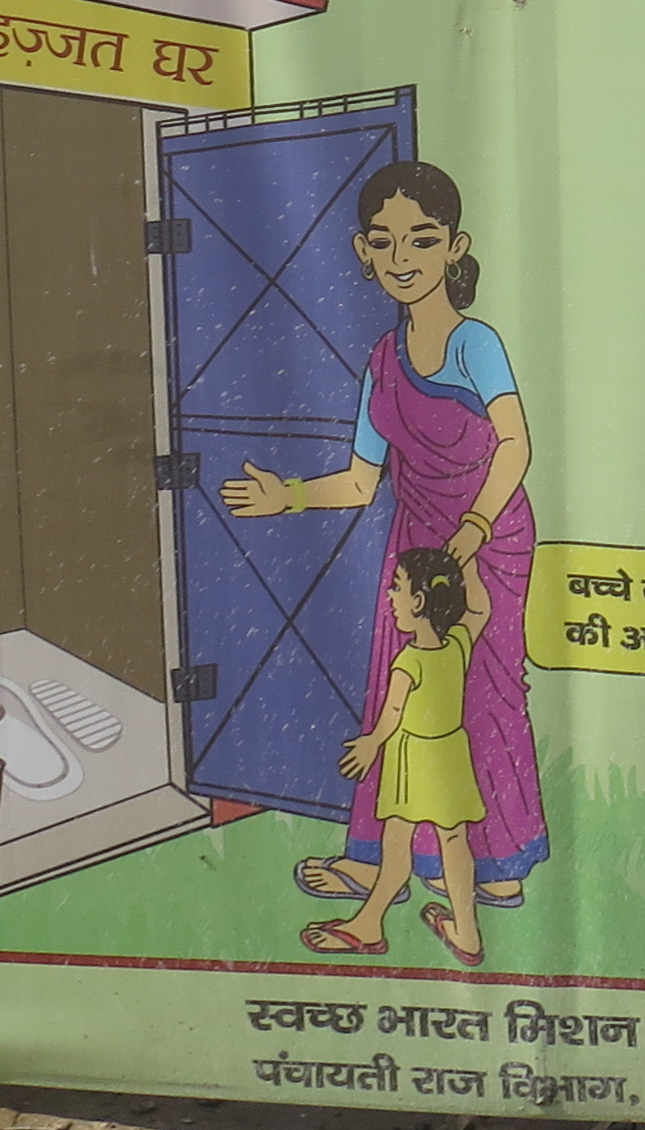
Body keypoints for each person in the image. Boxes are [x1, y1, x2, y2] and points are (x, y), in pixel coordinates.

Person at [219, 161, 547, 914]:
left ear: (454, 249)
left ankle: (498, 861)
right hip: (414, 542)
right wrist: (289, 496)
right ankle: (381, 863)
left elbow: (516, 445)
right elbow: (362, 481)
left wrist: (471, 530)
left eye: (422, 241)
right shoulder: (381, 359)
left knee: (482, 695)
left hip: (488, 537)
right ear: (365, 252)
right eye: (385, 242)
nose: (403, 258)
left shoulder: (476, 345)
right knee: (395, 696)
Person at [302, 547, 490, 965]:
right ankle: (467, 933)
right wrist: (471, 565)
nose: (389, 595)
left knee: (397, 845)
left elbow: (392, 713)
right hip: (450, 754)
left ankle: (368, 926)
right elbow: (479, 610)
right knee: (455, 842)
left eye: (398, 588)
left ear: (419, 603)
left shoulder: (408, 661)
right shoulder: (457, 642)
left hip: (413, 760)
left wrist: (371, 744)